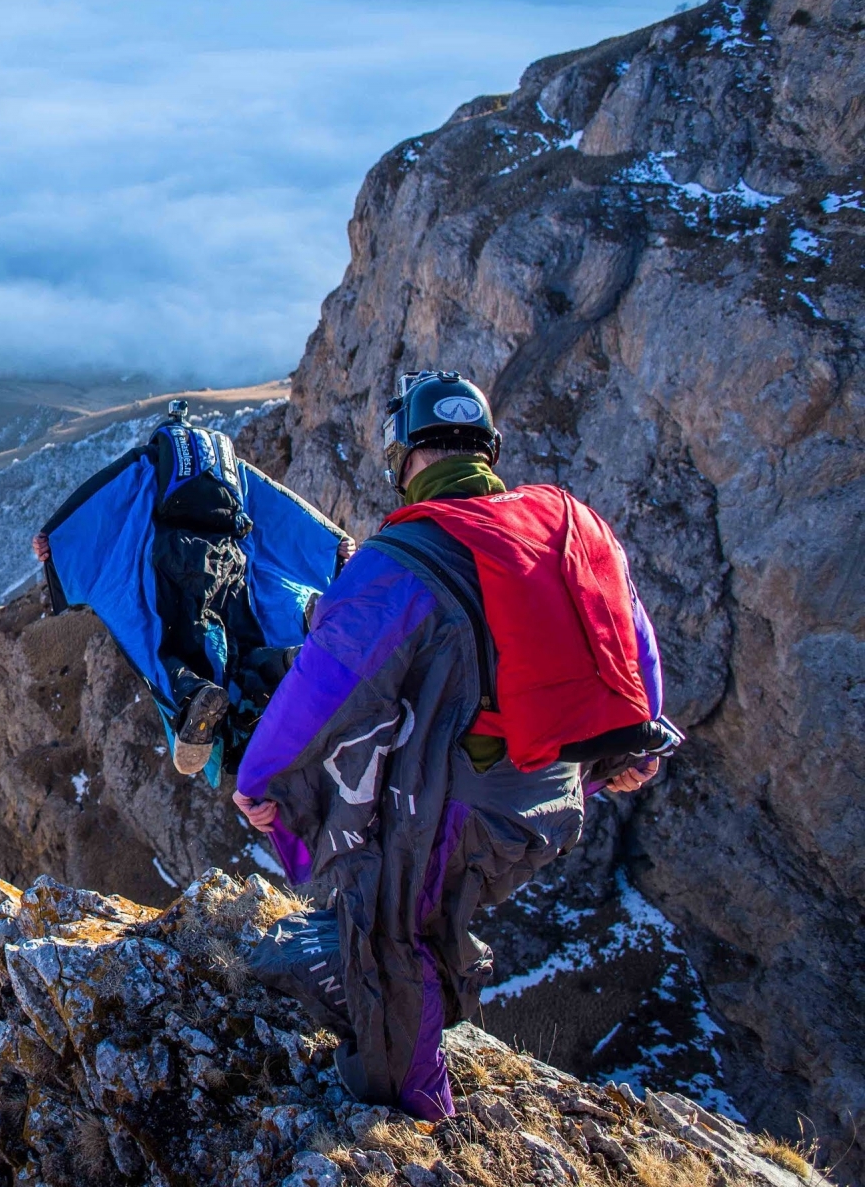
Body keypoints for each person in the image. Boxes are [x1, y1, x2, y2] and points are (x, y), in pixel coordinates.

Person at [232, 371, 680, 1120]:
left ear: (405, 457)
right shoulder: (566, 522)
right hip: (559, 793)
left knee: (388, 924)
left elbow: (324, 684)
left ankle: (409, 1104)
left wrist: (261, 779)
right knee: (430, 892)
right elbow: (634, 643)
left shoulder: (404, 558)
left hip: (471, 808)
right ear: (489, 450)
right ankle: (432, 983)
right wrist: (635, 751)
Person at [34, 399, 352, 783]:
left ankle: (195, 696)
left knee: (169, 651)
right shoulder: (231, 470)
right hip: (230, 564)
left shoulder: (146, 464)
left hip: (175, 564)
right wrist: (332, 543)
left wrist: (54, 541)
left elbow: (100, 499)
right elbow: (281, 503)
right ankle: (281, 663)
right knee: (240, 647)